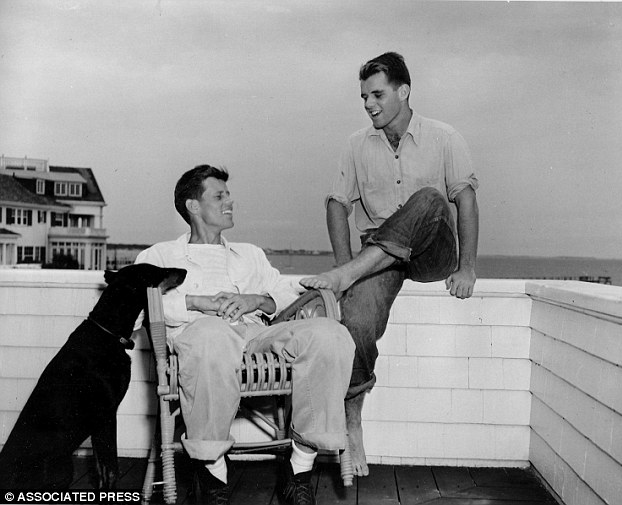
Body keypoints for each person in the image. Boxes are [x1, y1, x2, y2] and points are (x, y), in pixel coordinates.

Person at [300, 52, 479, 478]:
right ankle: (353, 419)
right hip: (379, 257)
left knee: (430, 199)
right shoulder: (356, 144)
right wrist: (348, 266)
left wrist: (468, 266)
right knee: (357, 321)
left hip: (432, 248)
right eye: (363, 96)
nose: (368, 104)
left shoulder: (444, 136)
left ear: (404, 91)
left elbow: (465, 200)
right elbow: (336, 204)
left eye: (377, 94)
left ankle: (349, 274)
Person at [135, 165, 355, 505]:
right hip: (200, 339)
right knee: (211, 334)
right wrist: (197, 302)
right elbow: (137, 306)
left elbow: (282, 291)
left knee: (330, 334)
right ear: (193, 206)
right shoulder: (160, 256)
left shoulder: (250, 254)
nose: (230, 202)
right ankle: (213, 478)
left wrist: (256, 299)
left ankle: (299, 467)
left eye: (229, 195)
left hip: (254, 335)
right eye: (219, 196)